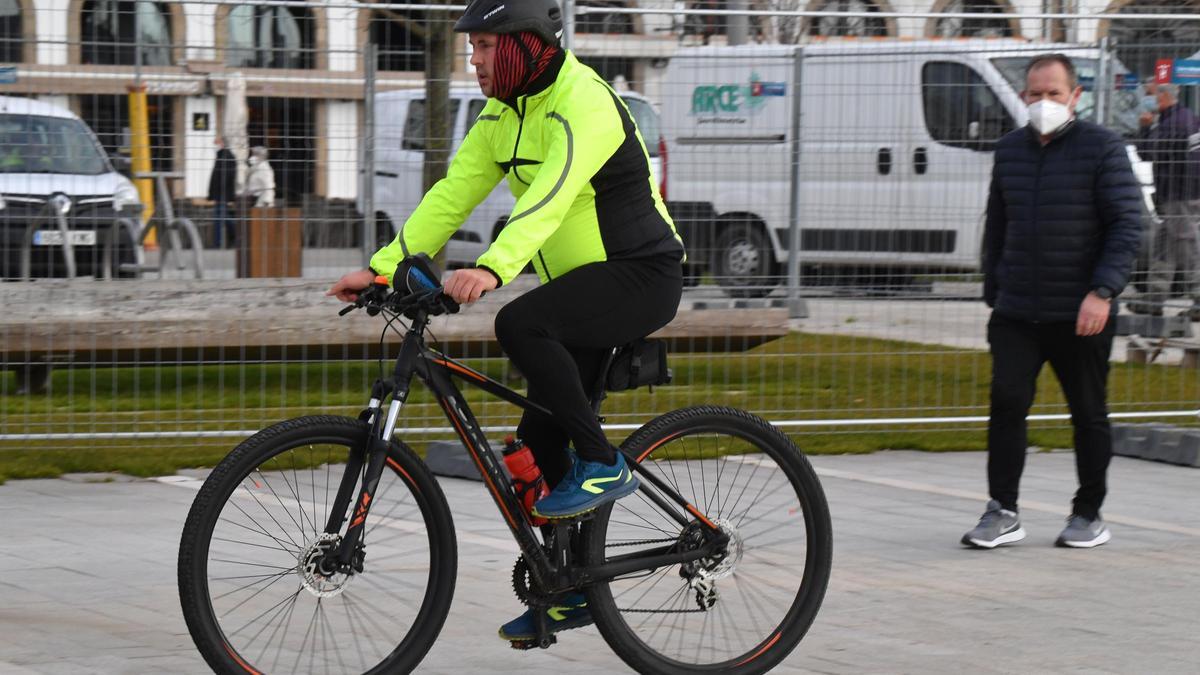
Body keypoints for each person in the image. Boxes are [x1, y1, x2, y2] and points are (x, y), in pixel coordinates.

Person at [327, 0, 684, 643]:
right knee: (539, 442)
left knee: (520, 323)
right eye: (472, 47)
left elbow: (549, 197)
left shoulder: (585, 103)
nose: (474, 57)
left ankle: (605, 463)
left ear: (527, 46)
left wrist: (491, 268)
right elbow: (451, 193)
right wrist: (383, 270)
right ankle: (572, 589)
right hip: (578, 288)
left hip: (640, 273)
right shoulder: (502, 116)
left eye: (487, 46)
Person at [963, 53, 1141, 550]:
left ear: (1075, 96)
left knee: (1087, 412)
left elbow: (1128, 225)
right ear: (1023, 97)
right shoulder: (1010, 151)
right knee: (1007, 401)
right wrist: (994, 288)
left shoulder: (1102, 148)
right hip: (1018, 309)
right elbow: (997, 222)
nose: (1044, 103)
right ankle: (1002, 510)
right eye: (1035, 94)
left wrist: (1102, 291)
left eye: (1054, 93)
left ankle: (1088, 513)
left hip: (1082, 311)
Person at [1133, 82, 1200, 320]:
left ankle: (1199, 300)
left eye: (1150, 94)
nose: (1147, 99)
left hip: (1178, 196)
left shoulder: (1171, 124)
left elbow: (1146, 152)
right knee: (1165, 248)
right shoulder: (1189, 118)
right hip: (1184, 193)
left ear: (1163, 96)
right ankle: (1153, 299)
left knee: (1187, 248)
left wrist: (1144, 127)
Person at [207, 136, 237, 247]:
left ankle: (219, 242)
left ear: (222, 144)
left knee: (220, 218)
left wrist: (226, 196)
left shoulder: (227, 157)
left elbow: (227, 178)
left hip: (223, 194)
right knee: (221, 218)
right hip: (220, 194)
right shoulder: (221, 156)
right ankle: (221, 241)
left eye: (216, 143)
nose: (214, 145)